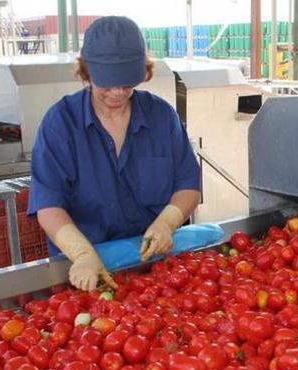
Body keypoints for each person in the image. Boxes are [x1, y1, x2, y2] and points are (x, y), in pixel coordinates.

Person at [28, 16, 201, 291]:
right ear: (86, 73)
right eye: (107, 83)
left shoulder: (161, 117)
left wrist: (167, 222)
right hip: (85, 270)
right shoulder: (61, 123)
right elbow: (48, 206)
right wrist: (82, 255)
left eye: (127, 83)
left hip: (154, 265)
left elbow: (189, 186)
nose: (119, 92)